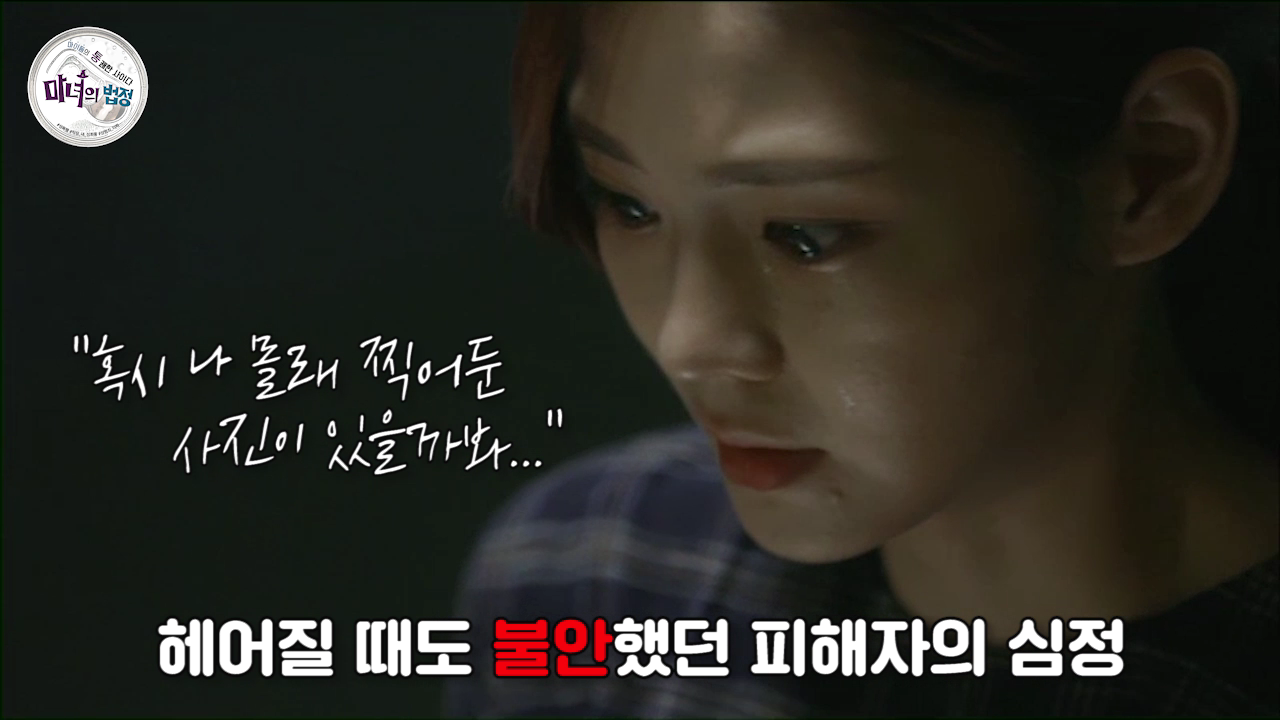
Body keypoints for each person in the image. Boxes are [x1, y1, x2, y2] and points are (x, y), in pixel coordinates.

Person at [446, 2, 1279, 716]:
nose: (688, 342)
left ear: (1152, 170)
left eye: (807, 235)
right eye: (629, 205)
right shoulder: (594, 576)